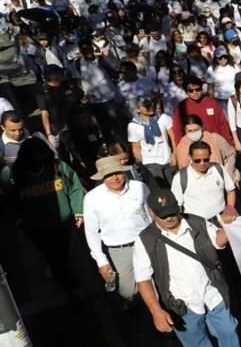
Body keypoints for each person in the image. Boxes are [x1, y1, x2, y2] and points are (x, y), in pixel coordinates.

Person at [133, 189, 241, 347]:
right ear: (151, 213)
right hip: (182, 304)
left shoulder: (197, 222)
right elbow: (143, 279)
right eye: (163, 215)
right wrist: (156, 311)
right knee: (196, 343)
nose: (170, 218)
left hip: (213, 294)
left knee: (228, 331)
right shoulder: (145, 240)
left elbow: (218, 240)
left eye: (172, 212)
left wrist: (230, 227)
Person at [1, 137, 85, 295]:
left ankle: (71, 286)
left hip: (63, 223)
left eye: (40, 154)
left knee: (64, 254)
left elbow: (74, 186)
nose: (38, 159)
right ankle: (70, 288)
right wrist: (17, 220)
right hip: (36, 227)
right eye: (33, 155)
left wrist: (78, 209)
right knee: (52, 256)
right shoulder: (12, 174)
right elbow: (6, 200)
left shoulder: (58, 167)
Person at [83, 156, 152, 302]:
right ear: (102, 177)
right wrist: (101, 261)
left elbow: (151, 215)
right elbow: (91, 232)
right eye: (108, 175)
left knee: (156, 284)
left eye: (117, 173)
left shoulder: (139, 187)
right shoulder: (92, 198)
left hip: (146, 243)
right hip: (118, 252)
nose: (114, 178)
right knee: (127, 293)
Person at [171, 141, 237, 221]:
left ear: (210, 155)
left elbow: (230, 190)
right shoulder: (180, 178)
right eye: (197, 160)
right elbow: (177, 206)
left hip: (223, 219)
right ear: (190, 156)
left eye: (206, 159)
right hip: (199, 225)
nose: (202, 163)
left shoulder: (218, 168)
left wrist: (229, 211)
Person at [128, 97, 176, 189]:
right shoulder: (133, 125)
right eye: (146, 106)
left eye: (151, 104)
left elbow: (173, 138)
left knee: (173, 186)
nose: (150, 107)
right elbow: (136, 146)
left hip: (167, 159)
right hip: (149, 162)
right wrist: (141, 164)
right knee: (160, 189)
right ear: (138, 109)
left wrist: (175, 154)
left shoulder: (163, 118)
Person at [171, 76, 232, 144]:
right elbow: (177, 130)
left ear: (202, 88)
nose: (195, 92)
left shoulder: (212, 103)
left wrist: (229, 143)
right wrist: (179, 148)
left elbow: (223, 125)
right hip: (192, 146)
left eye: (198, 89)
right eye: (191, 90)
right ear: (186, 91)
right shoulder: (181, 107)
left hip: (214, 143)